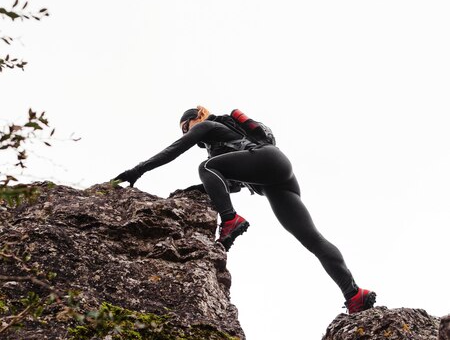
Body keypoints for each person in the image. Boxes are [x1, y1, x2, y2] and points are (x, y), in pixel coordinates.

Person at [113, 105, 376, 314]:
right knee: (310, 237)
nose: (186, 133)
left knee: (207, 168)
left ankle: (231, 220)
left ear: (198, 117)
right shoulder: (224, 143)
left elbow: (175, 150)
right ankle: (354, 294)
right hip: (278, 179)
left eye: (186, 125)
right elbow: (232, 187)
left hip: (268, 161)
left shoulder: (208, 126)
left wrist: (139, 170)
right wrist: (193, 191)